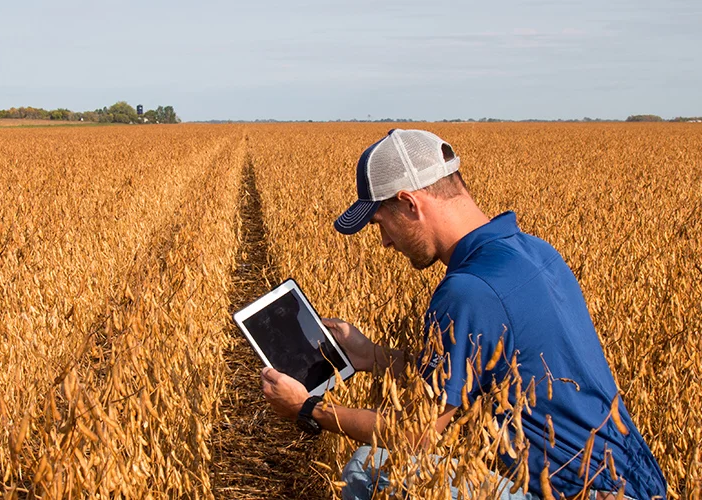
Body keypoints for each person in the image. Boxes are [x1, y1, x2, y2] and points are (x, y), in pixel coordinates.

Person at [259, 129, 667, 499]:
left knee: (368, 472)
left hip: (571, 491)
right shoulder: (533, 252)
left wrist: (307, 409)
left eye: (381, 223)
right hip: (635, 479)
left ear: (409, 203)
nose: (383, 241)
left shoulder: (468, 291)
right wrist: (371, 356)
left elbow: (416, 433)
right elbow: (477, 374)